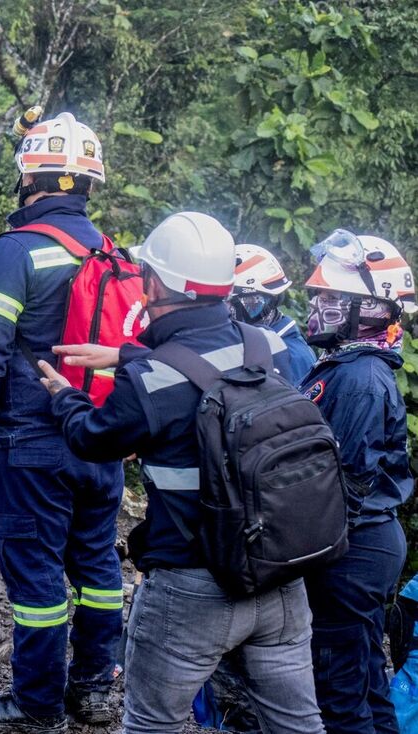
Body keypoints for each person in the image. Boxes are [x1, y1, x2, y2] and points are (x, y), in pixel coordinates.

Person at [38, 211, 324, 734]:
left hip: (194, 589)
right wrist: (128, 355)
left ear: (152, 282)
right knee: (298, 726)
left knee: (153, 725)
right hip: (282, 578)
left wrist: (64, 398)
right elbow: (210, 362)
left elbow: (92, 439)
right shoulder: (275, 349)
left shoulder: (152, 378)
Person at [0, 110, 125, 730]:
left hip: (34, 442)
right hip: (102, 440)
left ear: (31, 176)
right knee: (100, 569)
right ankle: (94, 691)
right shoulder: (110, 251)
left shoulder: (18, 250)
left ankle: (36, 707)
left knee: (37, 579)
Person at [297, 229, 416, 734]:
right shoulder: (346, 368)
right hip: (360, 545)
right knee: (365, 679)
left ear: (368, 309)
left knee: (339, 691)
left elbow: (344, 480)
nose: (318, 303)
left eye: (331, 296)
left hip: (354, 548)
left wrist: (307, 550)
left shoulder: (361, 378)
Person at [228, 243, 317, 381]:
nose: (226, 309)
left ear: (267, 301)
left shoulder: (292, 355)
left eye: (231, 301)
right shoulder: (251, 342)